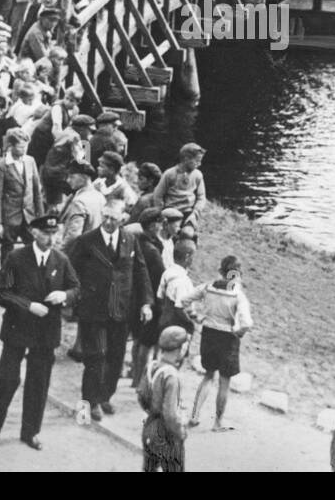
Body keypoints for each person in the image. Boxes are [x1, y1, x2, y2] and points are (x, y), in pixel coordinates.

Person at [0, 214, 80, 451]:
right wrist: (28, 306)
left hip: (46, 332)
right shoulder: (16, 258)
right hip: (17, 328)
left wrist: (65, 295)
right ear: (34, 233)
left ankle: (30, 432)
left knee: (39, 382)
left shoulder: (61, 260)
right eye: (46, 234)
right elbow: (1, 293)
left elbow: (76, 288)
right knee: (8, 379)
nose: (52, 238)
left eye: (55, 233)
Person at [66, 202, 153, 421]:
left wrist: (145, 302)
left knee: (115, 356)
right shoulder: (87, 241)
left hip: (121, 309)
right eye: (105, 217)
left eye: (113, 218)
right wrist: (75, 298)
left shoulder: (130, 240)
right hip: (93, 309)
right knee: (95, 356)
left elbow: (141, 272)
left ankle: (105, 396)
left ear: (122, 219)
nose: (108, 222)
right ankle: (89, 402)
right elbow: (72, 271)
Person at [188, 254, 254, 431]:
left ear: (220, 271)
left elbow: (186, 299)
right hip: (227, 338)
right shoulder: (238, 295)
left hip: (209, 334)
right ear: (238, 274)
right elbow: (247, 323)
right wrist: (238, 332)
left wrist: (196, 316)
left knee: (208, 376)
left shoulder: (208, 287)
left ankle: (194, 415)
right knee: (224, 382)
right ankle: (218, 422)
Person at [140, 325, 190, 473]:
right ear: (179, 349)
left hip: (149, 427)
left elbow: (141, 395)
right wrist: (180, 431)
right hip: (167, 436)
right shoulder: (172, 376)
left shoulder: (151, 366)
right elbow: (170, 414)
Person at [0, 127, 43, 258]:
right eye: (20, 147)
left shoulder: (30, 161)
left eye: (26, 147)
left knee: (33, 249)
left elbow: (37, 192)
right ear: (11, 146)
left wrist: (41, 218)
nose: (24, 150)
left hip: (29, 217)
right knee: (7, 250)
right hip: (10, 218)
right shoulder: (2, 166)